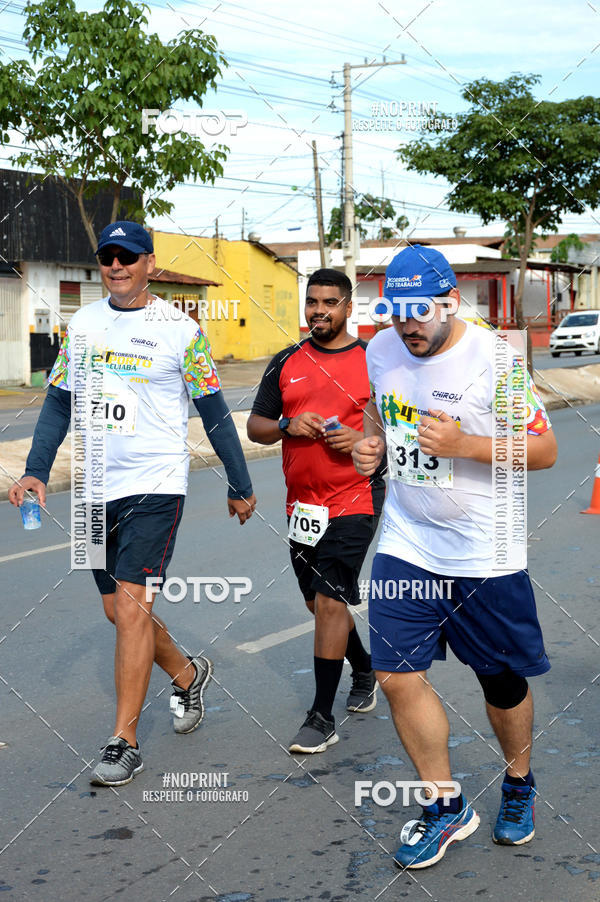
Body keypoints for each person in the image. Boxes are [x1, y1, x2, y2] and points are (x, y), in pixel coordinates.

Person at [9, 221, 256, 786]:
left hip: (155, 484)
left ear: (149, 262)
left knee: (132, 607)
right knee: (116, 611)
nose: (115, 266)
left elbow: (214, 412)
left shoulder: (180, 330)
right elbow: (58, 403)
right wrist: (35, 471)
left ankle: (125, 740)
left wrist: (238, 482)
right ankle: (188, 674)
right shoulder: (84, 324)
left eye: (127, 256)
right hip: (95, 487)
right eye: (106, 257)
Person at [352, 245, 557, 868]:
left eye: (419, 313)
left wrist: (465, 442)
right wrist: (374, 445)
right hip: (406, 540)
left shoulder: (494, 358)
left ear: (450, 303)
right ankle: (445, 806)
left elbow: (544, 450)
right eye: (396, 313)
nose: (407, 326)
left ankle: (518, 783)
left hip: (483, 551)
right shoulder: (381, 349)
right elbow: (379, 410)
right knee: (395, 674)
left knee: (499, 678)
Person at [247, 269, 385, 754]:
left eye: (329, 302)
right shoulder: (285, 361)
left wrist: (365, 441)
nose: (319, 311)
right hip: (302, 505)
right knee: (319, 603)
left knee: (329, 600)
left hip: (356, 496)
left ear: (349, 307)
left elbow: (396, 430)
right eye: (312, 302)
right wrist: (287, 425)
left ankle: (321, 716)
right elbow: (255, 426)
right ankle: (364, 668)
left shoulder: (376, 359)